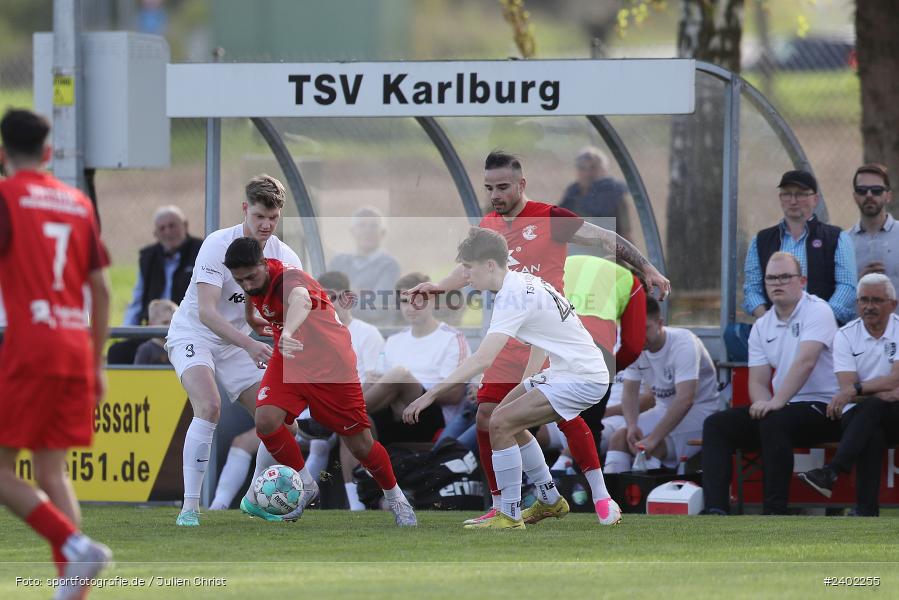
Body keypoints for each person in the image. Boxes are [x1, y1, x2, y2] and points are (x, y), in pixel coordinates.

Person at [408, 150, 668, 526]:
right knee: (489, 417)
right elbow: (468, 268)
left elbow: (603, 238)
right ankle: (522, 501)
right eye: (489, 188)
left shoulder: (550, 218)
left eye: (503, 187)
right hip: (509, 334)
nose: (496, 195)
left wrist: (647, 269)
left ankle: (598, 496)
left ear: (521, 184)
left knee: (560, 417)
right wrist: (438, 287)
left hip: (543, 339)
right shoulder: (489, 226)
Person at [403, 227, 620, 529]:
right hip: (568, 371)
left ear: (490, 265)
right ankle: (549, 498)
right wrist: (530, 381)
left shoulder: (511, 296)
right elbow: (545, 333)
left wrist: (429, 395)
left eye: (469, 268)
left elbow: (483, 359)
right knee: (504, 419)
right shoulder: (522, 281)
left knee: (500, 423)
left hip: (579, 376)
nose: (466, 276)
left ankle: (510, 515)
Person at [223, 237, 417, 526]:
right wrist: (252, 320)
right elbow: (254, 297)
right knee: (265, 420)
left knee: (361, 445)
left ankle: (396, 498)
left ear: (264, 264)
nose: (248, 284)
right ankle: (305, 483)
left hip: (331, 368)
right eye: (240, 281)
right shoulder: (253, 282)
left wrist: (287, 332)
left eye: (251, 276)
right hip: (291, 360)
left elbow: (300, 300)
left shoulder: (289, 278)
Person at [0, 108, 112, 597]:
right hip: (75, 345)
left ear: (3, 154)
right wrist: (99, 361)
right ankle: (75, 587)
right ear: (48, 153)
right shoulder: (77, 202)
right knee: (50, 469)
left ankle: (74, 543)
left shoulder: (6, 196)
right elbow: (103, 290)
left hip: (31, 344)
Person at [165, 173, 303, 527]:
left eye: (273, 218)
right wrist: (250, 342)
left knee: (278, 420)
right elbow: (207, 312)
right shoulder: (216, 244)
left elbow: (299, 303)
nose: (266, 224)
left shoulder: (285, 255)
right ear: (245, 209)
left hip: (241, 344)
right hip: (196, 333)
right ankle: (190, 509)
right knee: (209, 406)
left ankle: (256, 498)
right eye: (259, 216)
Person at [703, 252, 842, 515]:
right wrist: (762, 403)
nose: (777, 283)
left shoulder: (818, 310)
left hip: (823, 408)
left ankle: (774, 511)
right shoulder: (762, 325)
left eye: (784, 277)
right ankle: (715, 510)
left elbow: (806, 363)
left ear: (802, 280)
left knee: (775, 419)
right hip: (783, 410)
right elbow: (758, 380)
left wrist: (775, 403)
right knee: (717, 425)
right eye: (771, 278)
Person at [798, 273, 899, 515]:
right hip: (863, 414)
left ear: (892, 305)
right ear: (856, 303)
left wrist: (858, 390)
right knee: (871, 428)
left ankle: (832, 471)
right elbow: (848, 388)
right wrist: (868, 391)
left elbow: (894, 380)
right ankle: (865, 512)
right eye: (863, 300)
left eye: (876, 300)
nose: (869, 306)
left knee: (872, 410)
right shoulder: (845, 335)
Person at [604, 297, 720, 473]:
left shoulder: (684, 343)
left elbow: (685, 400)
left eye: (645, 329)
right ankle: (611, 498)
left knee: (653, 447)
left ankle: (645, 498)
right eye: (633, 330)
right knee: (619, 438)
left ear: (660, 323)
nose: (639, 336)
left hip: (701, 412)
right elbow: (629, 394)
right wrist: (632, 425)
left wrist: (653, 439)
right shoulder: (635, 346)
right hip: (664, 409)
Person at [743, 169, 857, 325]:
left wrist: (819, 321)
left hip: (824, 332)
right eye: (787, 194)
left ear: (815, 199)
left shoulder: (837, 238)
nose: (793, 200)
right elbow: (752, 289)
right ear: (780, 198)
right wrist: (768, 322)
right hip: (774, 331)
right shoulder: (760, 240)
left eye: (801, 194)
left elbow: (847, 287)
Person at [123, 205, 202, 326]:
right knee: (120, 346)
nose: (168, 232)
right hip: (154, 328)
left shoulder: (201, 250)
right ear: (155, 233)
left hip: (190, 327)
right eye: (162, 228)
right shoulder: (148, 258)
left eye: (172, 226)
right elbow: (137, 301)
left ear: (185, 226)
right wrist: (127, 331)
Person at [327, 206, 401, 325]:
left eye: (373, 226)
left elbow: (377, 308)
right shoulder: (337, 262)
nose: (368, 231)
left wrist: (342, 296)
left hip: (377, 333)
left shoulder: (390, 266)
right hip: (337, 331)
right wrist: (359, 294)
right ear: (352, 231)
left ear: (382, 233)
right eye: (362, 225)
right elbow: (324, 301)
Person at [847, 164, 899, 314]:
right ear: (855, 196)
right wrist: (859, 282)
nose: (869, 195)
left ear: (888, 196)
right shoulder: (843, 241)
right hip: (860, 331)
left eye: (876, 190)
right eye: (862, 190)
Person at [559, 146, 631, 248]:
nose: (587, 173)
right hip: (577, 253)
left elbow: (625, 234)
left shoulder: (613, 195)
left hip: (607, 253)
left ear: (603, 170)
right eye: (582, 168)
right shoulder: (572, 195)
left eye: (593, 168)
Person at [133, 299, 178, 365]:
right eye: (165, 323)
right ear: (151, 325)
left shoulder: (179, 348)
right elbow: (137, 374)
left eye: (174, 323)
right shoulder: (146, 350)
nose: (170, 327)